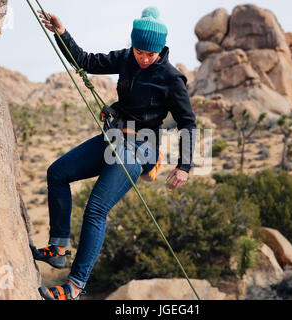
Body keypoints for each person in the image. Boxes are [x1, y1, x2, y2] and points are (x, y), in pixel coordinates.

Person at [33, 6, 197, 300]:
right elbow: (83, 60)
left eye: (151, 54)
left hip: (142, 147)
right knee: (56, 173)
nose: (144, 59)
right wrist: (61, 32)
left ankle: (74, 286)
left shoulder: (172, 79)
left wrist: (184, 166)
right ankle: (58, 248)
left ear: (161, 49)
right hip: (115, 138)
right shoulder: (125, 58)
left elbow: (188, 123)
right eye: (139, 52)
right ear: (132, 44)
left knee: (96, 209)